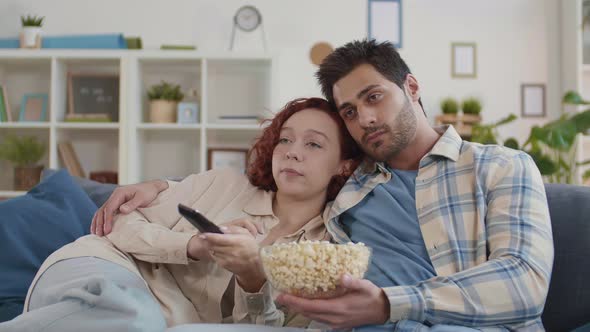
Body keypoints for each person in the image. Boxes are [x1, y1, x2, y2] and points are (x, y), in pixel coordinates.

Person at [95, 39, 554, 332]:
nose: (365, 119)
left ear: (411, 87)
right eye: (350, 112)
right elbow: (278, 176)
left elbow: (525, 282)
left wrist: (387, 304)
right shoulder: (351, 184)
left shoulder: (501, 167)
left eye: (374, 97)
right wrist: (162, 184)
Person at [0, 97, 362, 332]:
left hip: (160, 318)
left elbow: (263, 326)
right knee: (132, 315)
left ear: (345, 166)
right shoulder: (223, 183)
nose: (292, 152)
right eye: (285, 139)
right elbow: (122, 223)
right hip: (104, 266)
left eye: (313, 144)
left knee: (141, 321)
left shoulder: (323, 252)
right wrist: (193, 245)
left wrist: (253, 277)